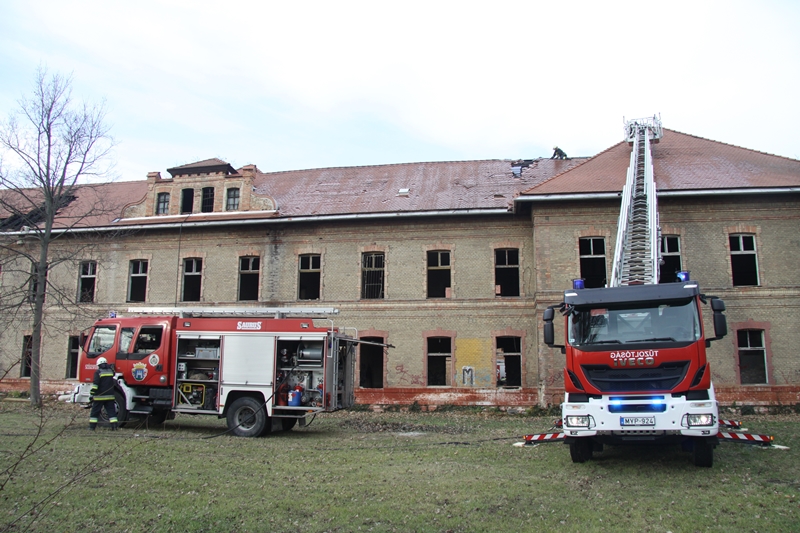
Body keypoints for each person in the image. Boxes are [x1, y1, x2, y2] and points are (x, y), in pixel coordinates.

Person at [89, 357, 118, 430]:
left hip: (99, 397)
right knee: (112, 412)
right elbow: (113, 373)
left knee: (95, 412)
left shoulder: (98, 372)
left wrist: (92, 393)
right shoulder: (110, 371)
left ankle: (92, 427)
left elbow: (96, 384)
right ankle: (114, 427)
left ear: (98, 365)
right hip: (110, 397)